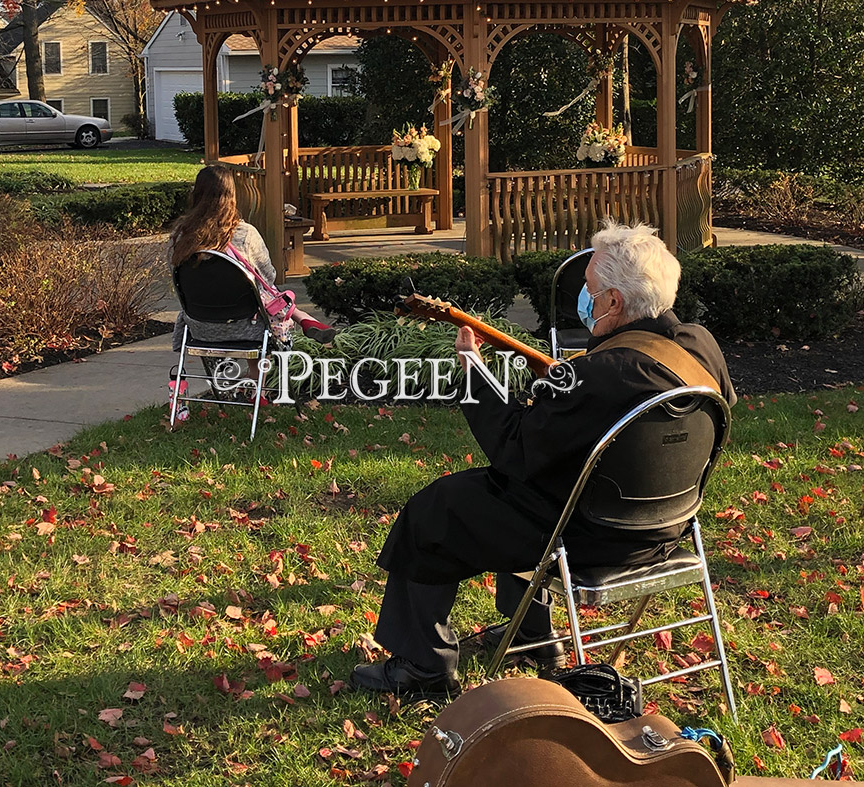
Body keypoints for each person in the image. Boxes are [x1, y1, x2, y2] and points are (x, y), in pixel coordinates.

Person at [349, 220, 736, 698]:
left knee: (439, 507)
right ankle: (536, 637)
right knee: (532, 490)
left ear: (613, 302)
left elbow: (513, 449)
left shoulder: (595, 375)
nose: (585, 299)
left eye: (591, 290)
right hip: (669, 529)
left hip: (590, 539)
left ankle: (422, 666)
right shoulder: (701, 346)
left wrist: (472, 372)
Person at [169, 164, 335, 420]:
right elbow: (269, 276)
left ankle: (299, 319)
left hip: (199, 326)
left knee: (258, 302)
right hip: (247, 326)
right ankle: (260, 390)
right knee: (266, 302)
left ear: (197, 194)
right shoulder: (245, 234)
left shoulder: (181, 236)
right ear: (232, 195)